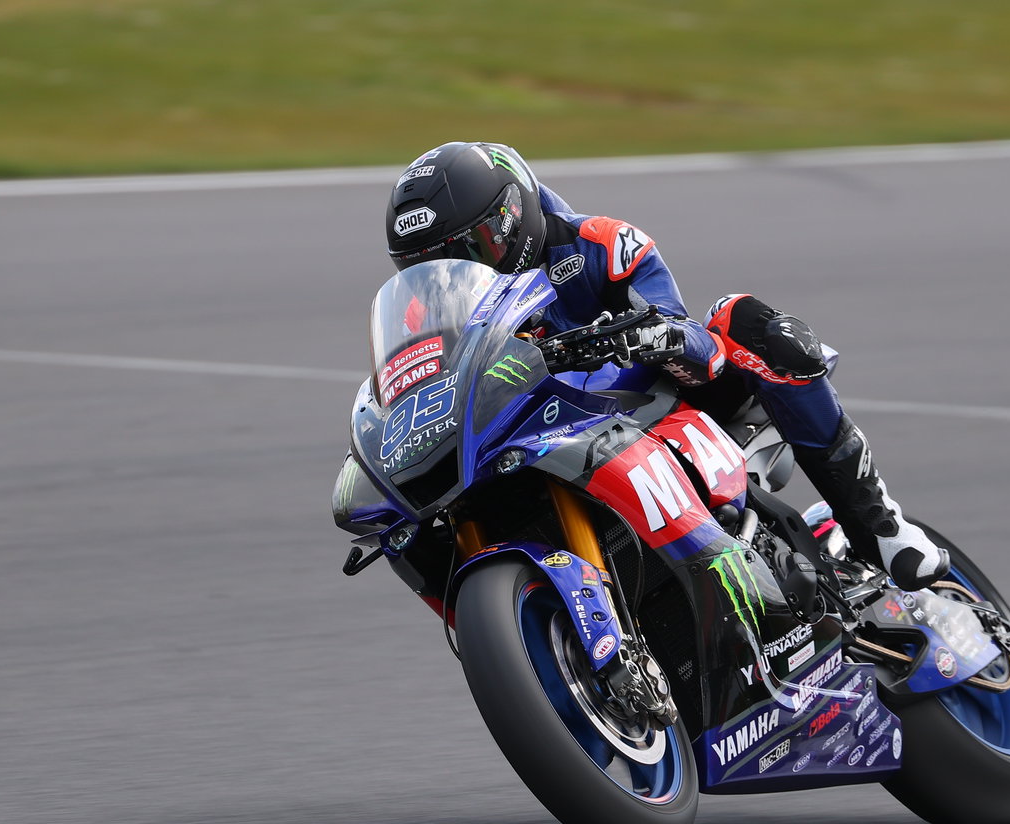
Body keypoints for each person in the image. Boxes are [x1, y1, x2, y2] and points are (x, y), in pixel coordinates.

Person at [385, 140, 949, 591]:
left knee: (744, 321)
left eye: (469, 251)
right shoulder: (432, 311)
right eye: (432, 265)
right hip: (539, 438)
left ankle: (879, 528)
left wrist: (654, 333)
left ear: (512, 217)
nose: (457, 274)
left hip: (653, 408)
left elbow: (699, 353)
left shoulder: (601, 246)